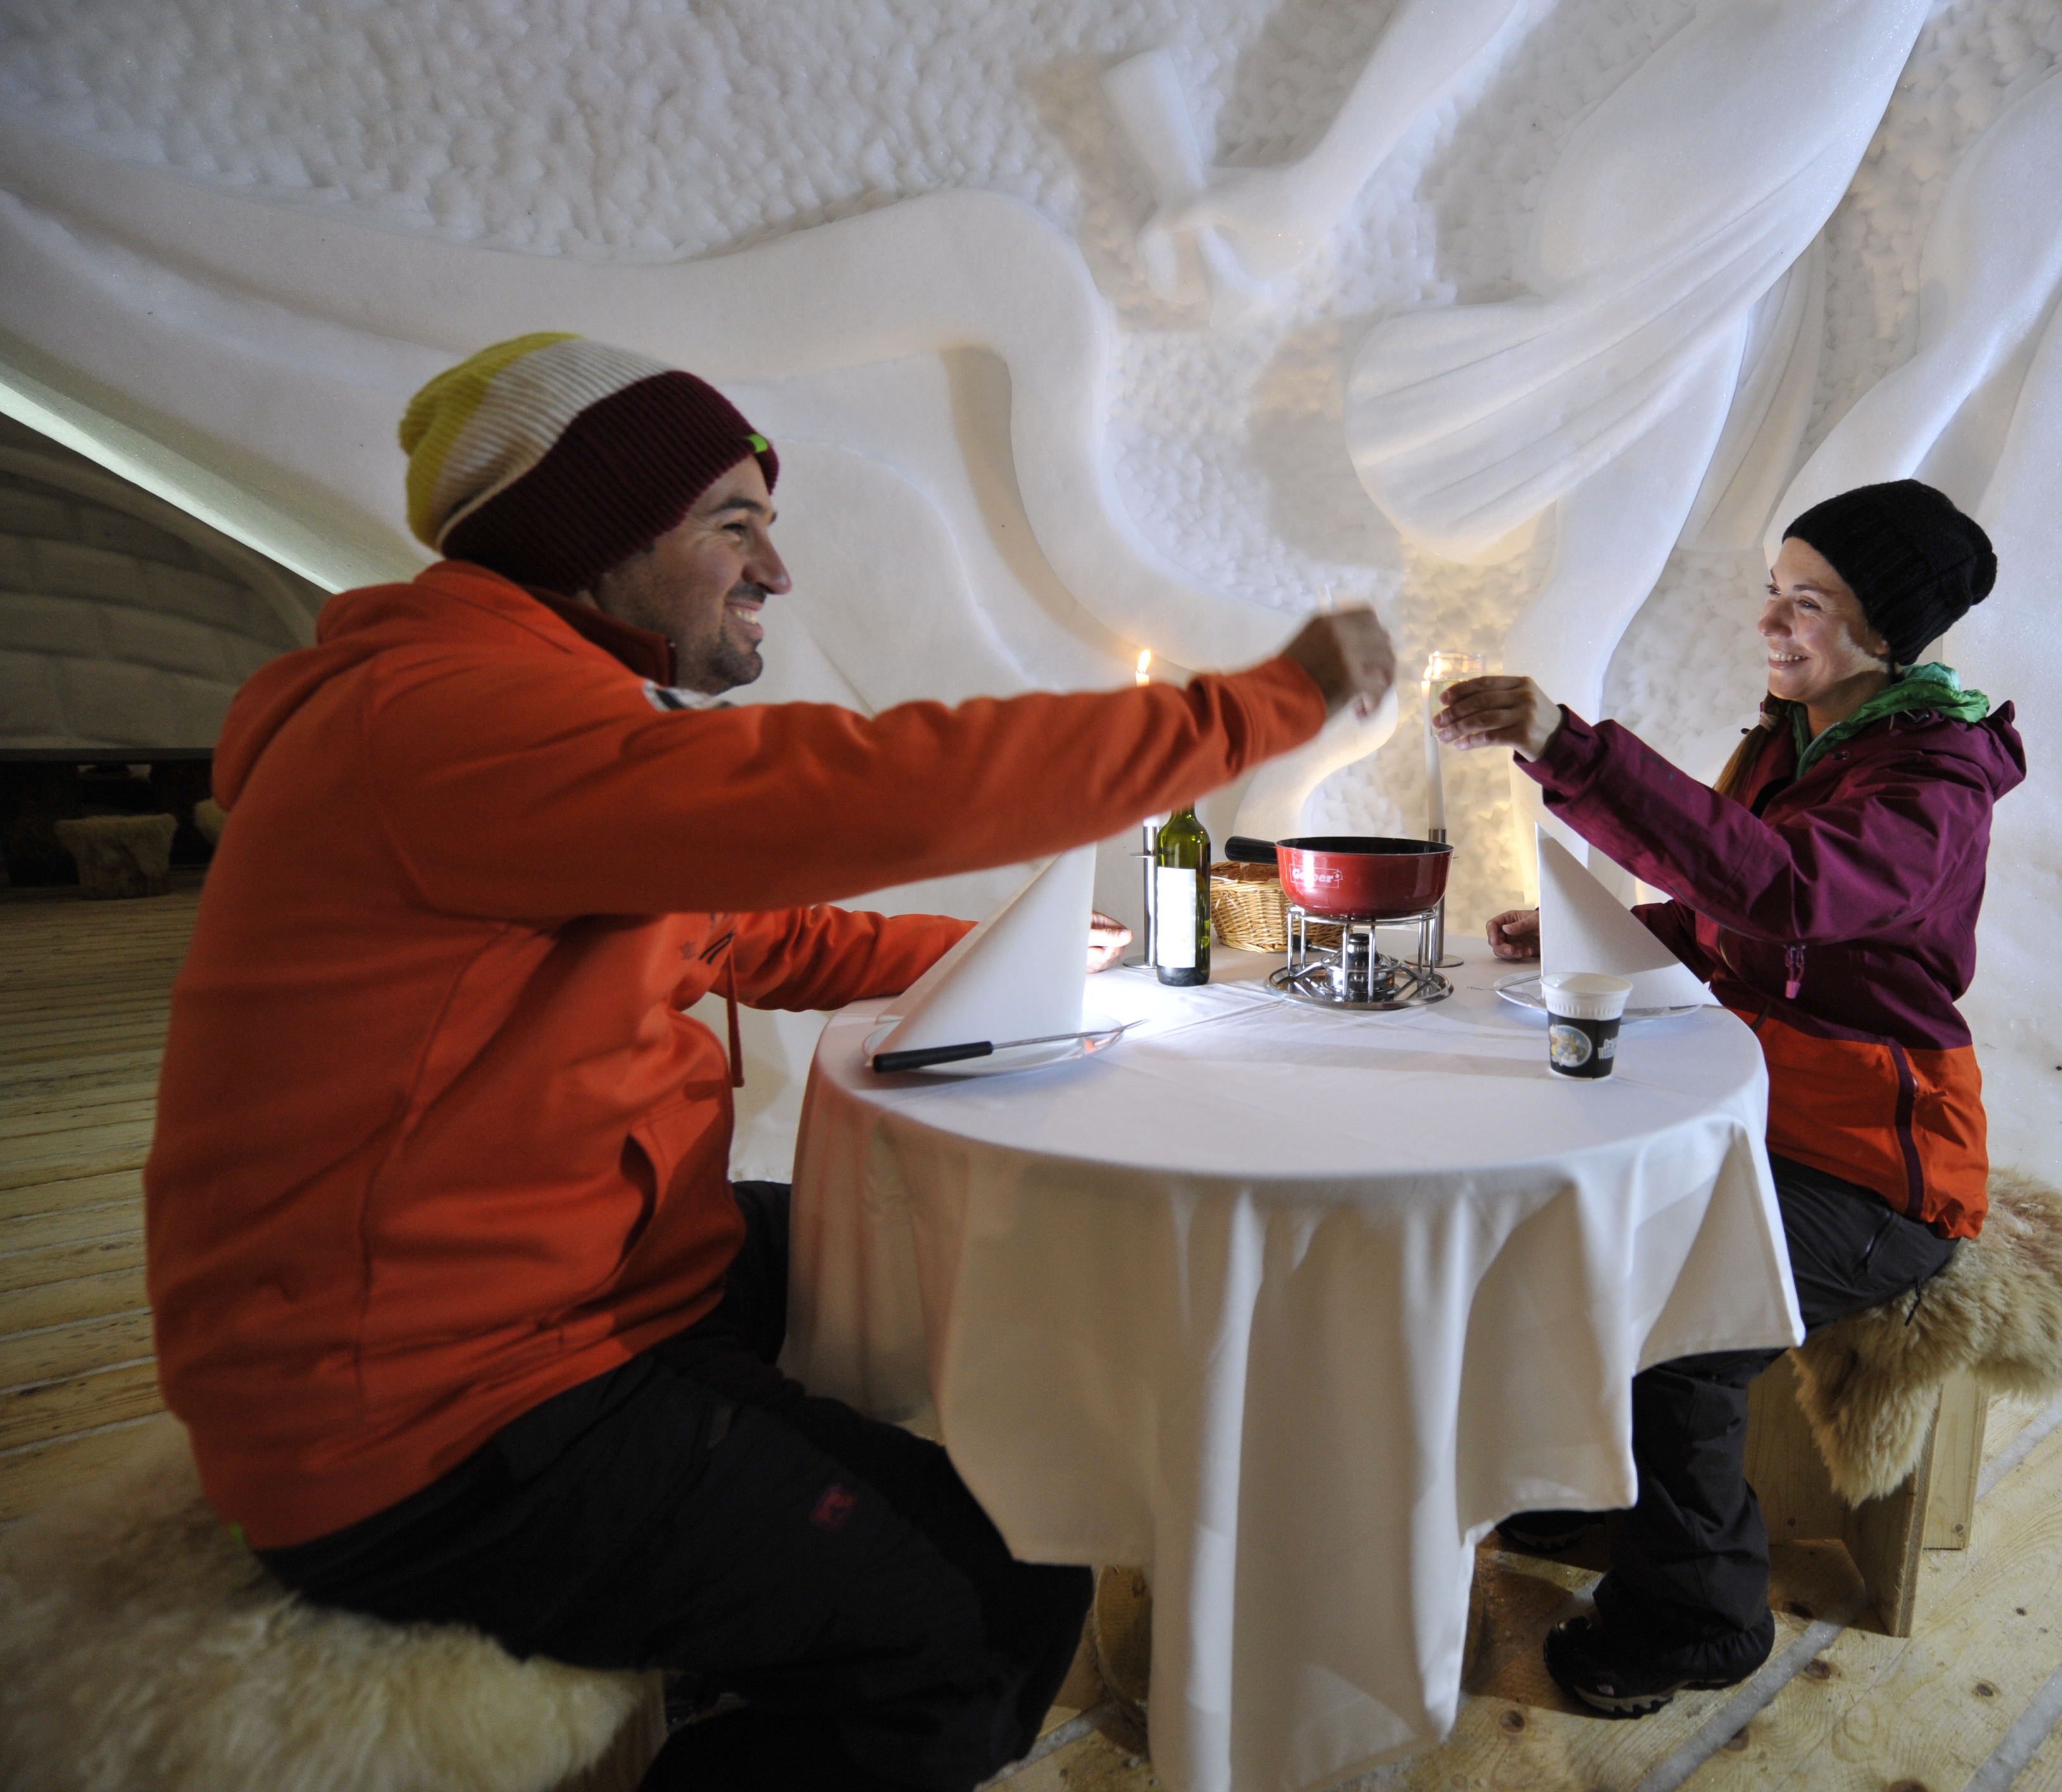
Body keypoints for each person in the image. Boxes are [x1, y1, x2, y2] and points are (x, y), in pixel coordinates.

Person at [143, 332, 1396, 1791]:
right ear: (588, 535)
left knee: (945, 1237)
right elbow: (866, 784)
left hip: (556, 1292)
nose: (775, 571)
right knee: (989, 1608)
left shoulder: (514, 721)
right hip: (433, 1417)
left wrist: (1024, 957)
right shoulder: (443, 722)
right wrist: (1252, 709)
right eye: (733, 522)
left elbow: (738, 938)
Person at [1432, 478, 2021, 1717]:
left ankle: (1698, 1618)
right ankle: (1581, 1492)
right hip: (1767, 1114)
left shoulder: (1932, 785)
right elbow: (1737, 915)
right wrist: (1606, 926)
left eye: (1809, 602)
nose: (1772, 622)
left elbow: (1788, 892)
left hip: (1878, 1167)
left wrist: (1566, 743)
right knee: (1554, 1213)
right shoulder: (1793, 739)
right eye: (1773, 591)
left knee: (1679, 1318)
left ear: (1886, 630)